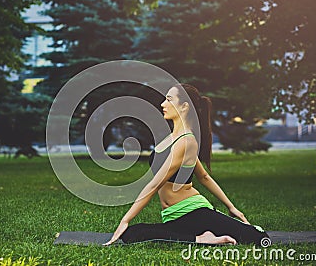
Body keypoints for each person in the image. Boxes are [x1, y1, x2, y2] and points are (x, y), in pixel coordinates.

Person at [104, 83, 269, 246]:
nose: (163, 104)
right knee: (132, 234)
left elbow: (155, 185)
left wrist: (125, 219)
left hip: (194, 212)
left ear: (184, 107)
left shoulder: (187, 141)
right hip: (173, 216)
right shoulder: (172, 138)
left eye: (169, 100)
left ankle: (201, 237)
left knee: (259, 238)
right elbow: (204, 176)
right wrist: (231, 207)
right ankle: (201, 237)